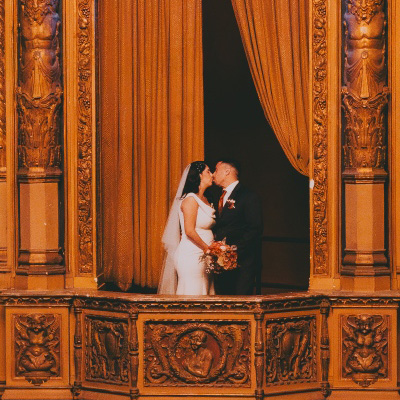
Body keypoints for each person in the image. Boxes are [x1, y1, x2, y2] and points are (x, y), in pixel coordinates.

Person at [158, 161, 215, 295]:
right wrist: (207, 249)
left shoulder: (206, 199)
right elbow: (189, 231)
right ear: (199, 175)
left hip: (205, 254)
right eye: (208, 171)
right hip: (192, 254)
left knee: (205, 291)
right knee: (193, 291)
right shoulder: (190, 199)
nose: (212, 175)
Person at [212, 159, 263, 295]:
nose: (213, 174)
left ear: (227, 171)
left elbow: (255, 229)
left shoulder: (248, 196)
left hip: (242, 263)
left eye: (216, 170)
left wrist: (233, 250)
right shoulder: (218, 196)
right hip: (221, 263)